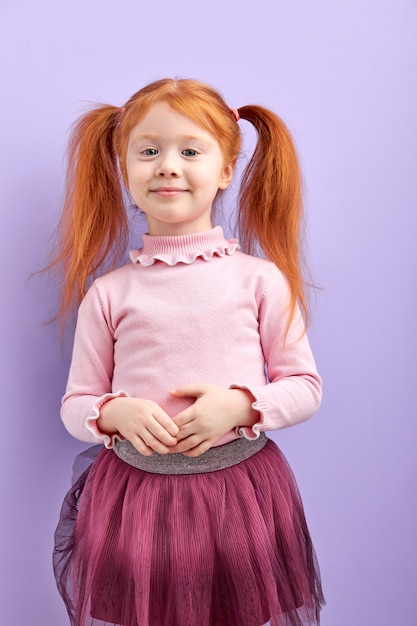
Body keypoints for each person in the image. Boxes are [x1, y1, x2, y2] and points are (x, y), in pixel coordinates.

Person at [51, 78, 325, 626]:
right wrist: (111, 412)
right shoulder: (109, 293)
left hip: (238, 495)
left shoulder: (259, 281)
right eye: (148, 151)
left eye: (190, 150)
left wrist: (242, 406)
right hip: (136, 500)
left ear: (226, 169)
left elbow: (305, 387)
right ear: (125, 173)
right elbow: (75, 403)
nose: (168, 165)